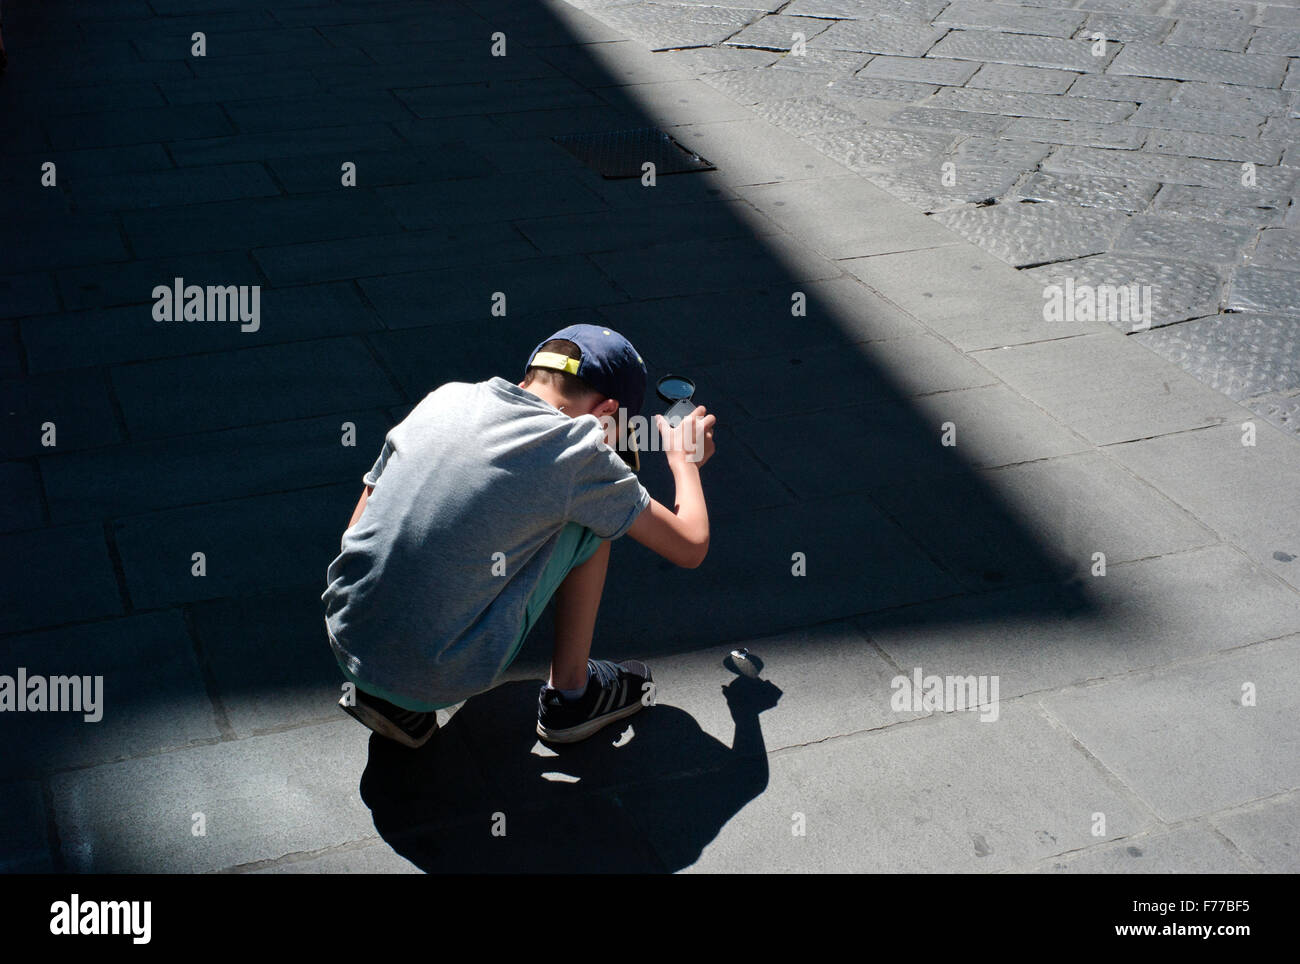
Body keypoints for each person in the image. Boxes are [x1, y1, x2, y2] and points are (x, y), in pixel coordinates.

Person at [322, 324, 715, 748]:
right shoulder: (578, 453)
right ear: (606, 412)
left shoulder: (447, 396)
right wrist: (684, 462)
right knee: (597, 518)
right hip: (438, 675)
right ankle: (572, 696)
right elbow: (690, 546)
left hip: (348, 632)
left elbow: (362, 518)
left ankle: (395, 700)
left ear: (530, 375)